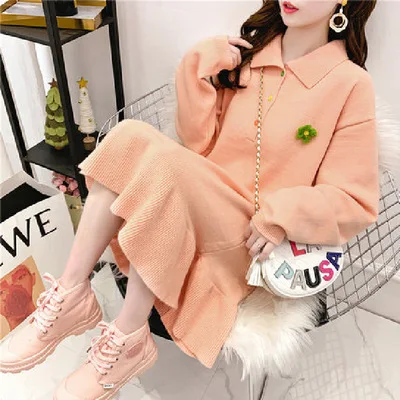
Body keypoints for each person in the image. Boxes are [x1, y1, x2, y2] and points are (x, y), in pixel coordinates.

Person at [0, 0, 380, 398]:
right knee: (129, 136)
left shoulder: (349, 85)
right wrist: (197, 67)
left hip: (250, 239)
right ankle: (72, 292)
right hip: (195, 207)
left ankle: (129, 334)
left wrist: (283, 215)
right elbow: (197, 146)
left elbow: (355, 199)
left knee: (160, 165)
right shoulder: (250, 57)